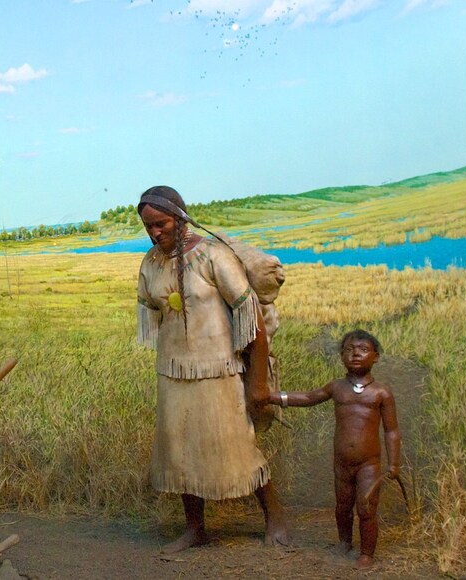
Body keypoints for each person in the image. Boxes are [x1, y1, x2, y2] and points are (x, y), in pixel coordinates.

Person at [135, 185, 289, 553]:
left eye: (162, 223)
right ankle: (195, 529)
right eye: (148, 227)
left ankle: (276, 518)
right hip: (173, 372)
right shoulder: (150, 263)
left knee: (237, 444)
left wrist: (257, 383)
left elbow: (252, 319)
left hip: (220, 371)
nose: (156, 232)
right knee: (180, 449)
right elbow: (153, 314)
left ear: (181, 218)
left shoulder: (212, 256)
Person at [269, 329, 401, 568]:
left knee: (367, 507)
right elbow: (309, 398)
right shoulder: (336, 387)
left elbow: (391, 431)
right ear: (341, 356)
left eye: (363, 349)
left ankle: (367, 553)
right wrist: (273, 397)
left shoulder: (381, 392)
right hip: (341, 461)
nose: (355, 354)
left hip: (369, 463)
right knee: (342, 505)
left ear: (376, 357)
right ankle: (344, 542)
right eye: (349, 350)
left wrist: (393, 463)